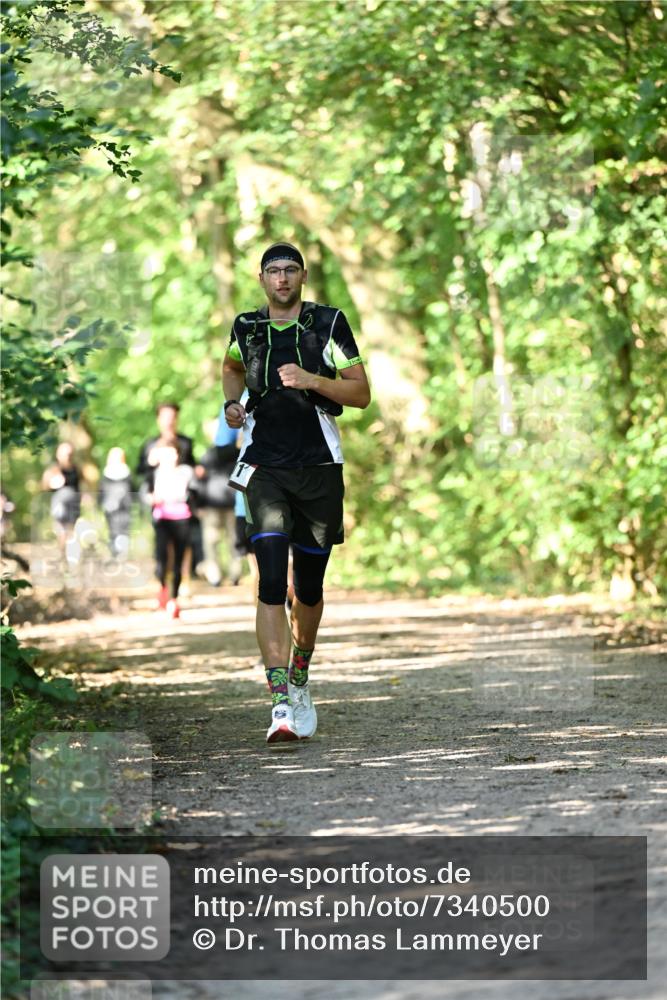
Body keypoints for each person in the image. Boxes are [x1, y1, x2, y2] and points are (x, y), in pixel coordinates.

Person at [222, 241, 371, 743]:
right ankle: (280, 702)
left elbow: (361, 393)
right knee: (269, 581)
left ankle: (300, 675)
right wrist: (232, 405)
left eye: (290, 270)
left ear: (303, 276)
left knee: (308, 589)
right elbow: (231, 368)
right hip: (264, 466)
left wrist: (311, 380)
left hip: (319, 468)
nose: (281, 278)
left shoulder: (327, 324)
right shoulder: (246, 328)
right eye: (273, 271)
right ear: (261, 279)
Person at [147, 437, 194, 619]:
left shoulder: (186, 472)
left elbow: (196, 491)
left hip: (182, 518)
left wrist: (191, 499)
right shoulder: (153, 473)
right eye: (167, 452)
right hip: (161, 519)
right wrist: (151, 498)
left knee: (178, 561)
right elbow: (144, 491)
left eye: (173, 452)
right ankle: (162, 589)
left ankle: (174, 600)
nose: (171, 456)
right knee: (161, 558)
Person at [194, 418, 241, 586]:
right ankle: (214, 575)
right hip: (211, 505)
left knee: (234, 540)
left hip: (233, 504)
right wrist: (199, 504)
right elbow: (199, 482)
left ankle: (235, 574)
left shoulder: (237, 452)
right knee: (211, 542)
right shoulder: (207, 455)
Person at [41, 443, 82, 567]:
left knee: (71, 531)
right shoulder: (53, 469)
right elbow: (44, 486)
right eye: (65, 453)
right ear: (58, 454)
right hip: (59, 505)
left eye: (69, 453)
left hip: (74, 504)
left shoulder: (76, 468)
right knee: (62, 531)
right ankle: (63, 555)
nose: (68, 456)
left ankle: (70, 557)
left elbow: (82, 485)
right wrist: (53, 482)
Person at [99, 447, 133, 558]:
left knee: (123, 529)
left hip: (124, 507)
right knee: (112, 529)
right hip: (110, 507)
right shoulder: (106, 473)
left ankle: (122, 553)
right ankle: (114, 552)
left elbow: (132, 489)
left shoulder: (127, 473)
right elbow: (102, 490)